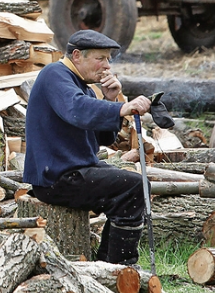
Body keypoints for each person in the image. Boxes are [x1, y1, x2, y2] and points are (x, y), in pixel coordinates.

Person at [23, 30, 152, 265]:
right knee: (132, 187)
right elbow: (77, 110)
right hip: (56, 178)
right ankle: (119, 266)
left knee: (131, 184)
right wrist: (121, 109)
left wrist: (111, 100)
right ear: (77, 55)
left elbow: (103, 136)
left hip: (72, 170)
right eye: (100, 58)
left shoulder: (81, 84)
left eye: (108, 59)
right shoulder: (55, 74)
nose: (106, 66)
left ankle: (109, 264)